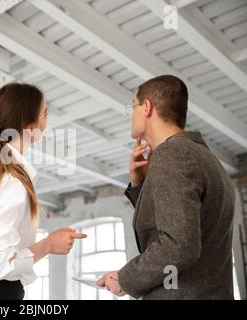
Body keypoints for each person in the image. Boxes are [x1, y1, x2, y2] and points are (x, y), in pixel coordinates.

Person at [97, 75, 235, 299]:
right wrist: (140, 184)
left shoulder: (172, 153)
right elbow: (176, 220)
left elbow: (179, 245)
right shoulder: (205, 157)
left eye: (133, 107)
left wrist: (125, 279)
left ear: (147, 107)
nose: (131, 115)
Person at [0, 83, 86, 300]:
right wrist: (49, 244)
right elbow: (1, 264)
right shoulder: (12, 179)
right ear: (30, 126)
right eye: (45, 114)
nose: (47, 122)